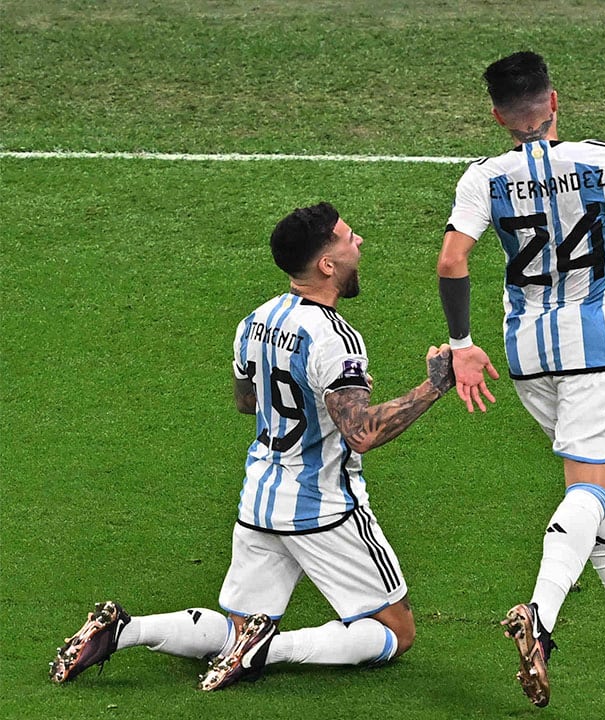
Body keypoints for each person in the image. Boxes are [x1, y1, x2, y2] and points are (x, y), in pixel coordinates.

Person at [50, 203, 456, 691]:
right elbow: (362, 432)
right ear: (327, 265)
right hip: (323, 506)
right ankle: (270, 649)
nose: (360, 243)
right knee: (396, 631)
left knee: (237, 628)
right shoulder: (334, 338)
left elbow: (247, 401)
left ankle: (129, 631)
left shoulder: (254, 320)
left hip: (260, 497)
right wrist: (434, 385)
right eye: (349, 239)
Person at [436, 51, 605, 708]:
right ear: (553, 102)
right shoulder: (599, 162)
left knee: (588, 487)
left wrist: (462, 344)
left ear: (498, 115)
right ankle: (541, 620)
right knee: (593, 487)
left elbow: (452, 258)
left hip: (528, 355)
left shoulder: (482, 177)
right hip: (596, 353)